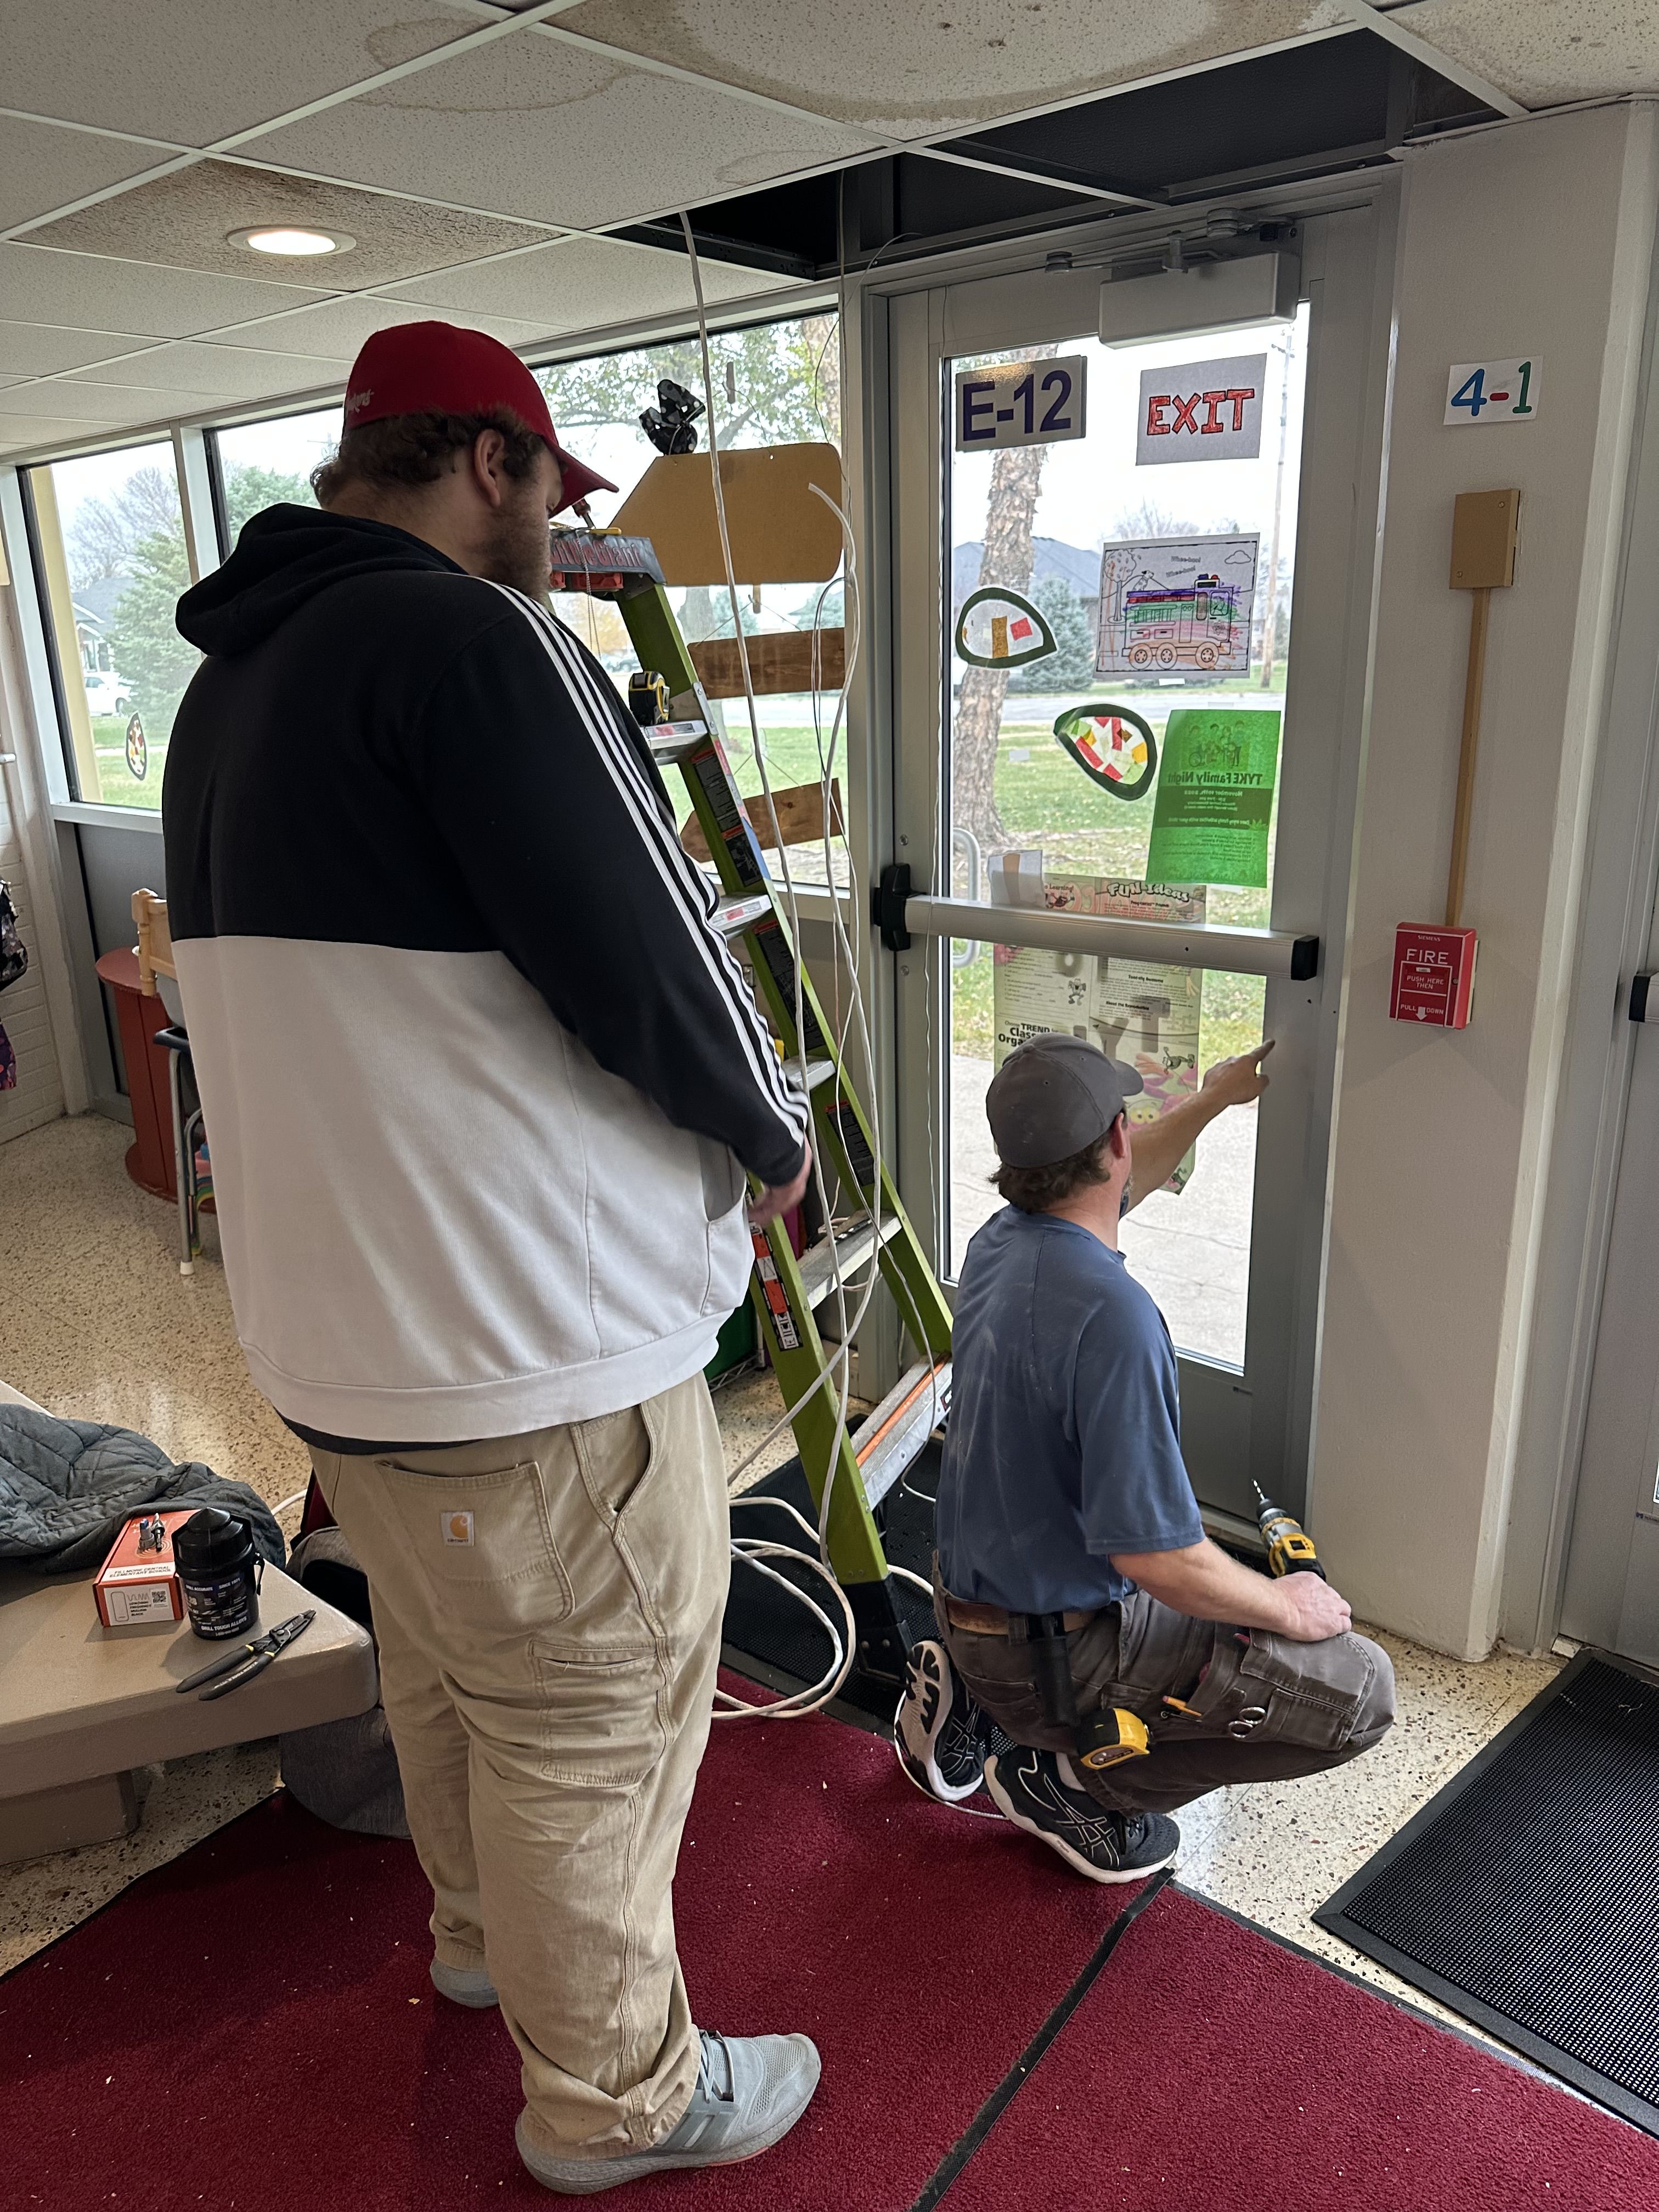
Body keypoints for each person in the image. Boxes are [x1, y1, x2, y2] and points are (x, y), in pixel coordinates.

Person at [163, 321, 821, 2193]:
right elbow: (653, 946)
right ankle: (619, 2094)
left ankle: (478, 1942)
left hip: (345, 1349)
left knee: (457, 1675)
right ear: (487, 462)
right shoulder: (475, 641)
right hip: (532, 1345)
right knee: (594, 1719)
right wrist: (773, 1140)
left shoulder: (232, 684)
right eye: (550, 492)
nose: (558, 537)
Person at [895, 1032, 1395, 1881]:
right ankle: (1077, 1787)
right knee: (1359, 1690)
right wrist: (1286, 1605)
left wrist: (1213, 1098)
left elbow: (1122, 1180)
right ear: (1115, 1140)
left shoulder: (1000, 1242)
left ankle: (977, 1707)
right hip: (1050, 1652)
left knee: (1209, 1583)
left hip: (970, 1599)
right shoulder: (1115, 1318)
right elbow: (1157, 1559)